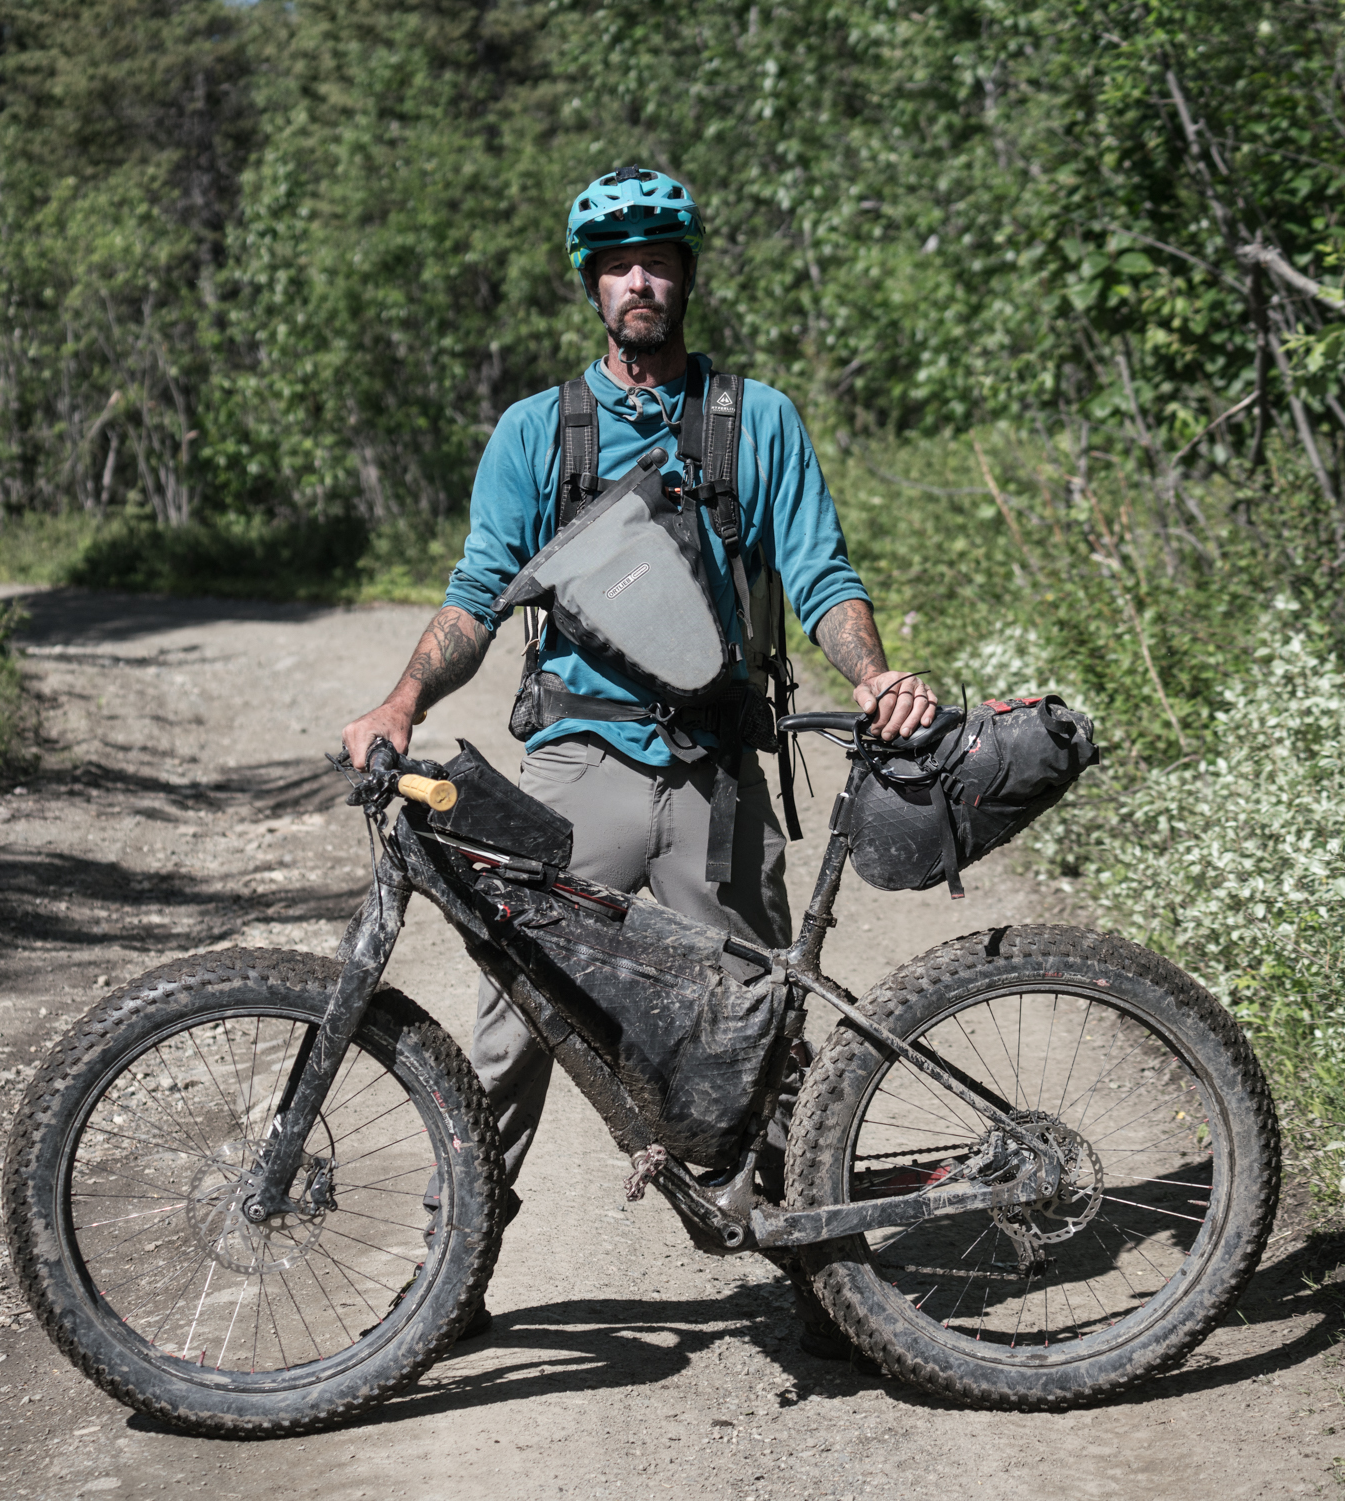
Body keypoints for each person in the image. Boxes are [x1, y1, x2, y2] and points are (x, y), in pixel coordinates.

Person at [340, 166, 936, 1355]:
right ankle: (454, 1269)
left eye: (657, 260)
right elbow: (478, 593)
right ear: (591, 287)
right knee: (514, 1022)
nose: (638, 281)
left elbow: (821, 573)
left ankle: (819, 1273)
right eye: (617, 265)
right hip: (577, 765)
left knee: (759, 1022)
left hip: (717, 774)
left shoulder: (756, 419)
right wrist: (401, 699)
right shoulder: (538, 430)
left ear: (686, 275)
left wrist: (872, 674)